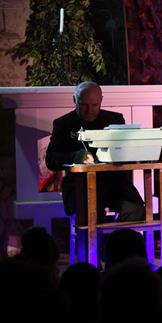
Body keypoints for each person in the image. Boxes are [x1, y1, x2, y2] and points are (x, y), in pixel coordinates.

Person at [45, 81, 145, 222]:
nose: (90, 110)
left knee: (136, 210)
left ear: (101, 101)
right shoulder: (63, 124)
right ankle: (94, 236)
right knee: (90, 216)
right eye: (84, 105)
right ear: (74, 100)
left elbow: (126, 151)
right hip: (80, 185)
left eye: (95, 105)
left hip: (115, 184)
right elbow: (51, 160)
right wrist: (74, 157)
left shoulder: (114, 120)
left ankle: (119, 236)